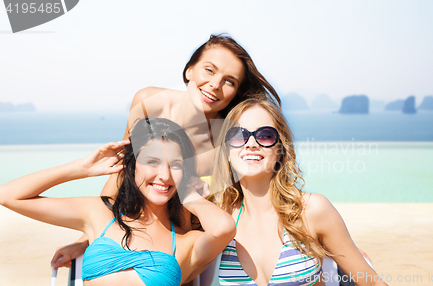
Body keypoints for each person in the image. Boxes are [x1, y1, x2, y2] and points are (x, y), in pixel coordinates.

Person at [51, 33, 280, 269]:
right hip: (135, 226)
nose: (215, 84)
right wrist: (86, 239)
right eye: (209, 70)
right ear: (189, 70)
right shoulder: (149, 102)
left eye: (229, 81)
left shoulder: (228, 137)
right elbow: (122, 172)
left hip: (189, 240)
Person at [0, 118, 236, 285]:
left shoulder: (185, 242)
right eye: (152, 162)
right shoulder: (100, 213)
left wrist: (189, 193)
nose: (164, 175)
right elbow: (8, 195)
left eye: (175, 165)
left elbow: (224, 228)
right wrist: (82, 168)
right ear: (132, 167)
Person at [211, 97, 388, 286]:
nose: (251, 143)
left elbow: (371, 283)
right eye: (238, 135)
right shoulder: (219, 219)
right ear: (227, 151)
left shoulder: (311, 211)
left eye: (265, 135)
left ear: (280, 150)